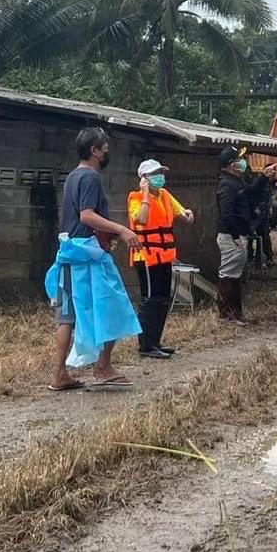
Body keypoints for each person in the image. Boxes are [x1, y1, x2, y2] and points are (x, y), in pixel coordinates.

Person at [45, 127, 142, 392]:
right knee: (113, 306)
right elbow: (86, 216)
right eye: (105, 148)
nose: (107, 152)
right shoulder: (91, 179)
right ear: (94, 151)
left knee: (67, 317)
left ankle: (59, 374)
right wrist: (120, 229)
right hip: (89, 256)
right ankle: (103, 366)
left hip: (68, 252)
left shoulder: (73, 177)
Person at [127, 158, 194, 359]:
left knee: (163, 299)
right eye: (155, 174)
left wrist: (186, 214)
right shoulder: (136, 198)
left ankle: (155, 341)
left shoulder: (164, 195)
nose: (160, 177)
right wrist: (146, 193)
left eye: (161, 173)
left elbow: (180, 211)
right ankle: (145, 345)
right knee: (150, 300)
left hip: (164, 255)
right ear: (144, 179)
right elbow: (143, 219)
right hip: (145, 256)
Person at [215, 146, 254, 324]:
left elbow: (251, 192)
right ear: (232, 164)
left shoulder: (236, 181)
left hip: (237, 236)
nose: (243, 162)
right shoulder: (227, 184)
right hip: (232, 237)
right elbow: (226, 213)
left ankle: (235, 313)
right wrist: (235, 235)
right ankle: (226, 314)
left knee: (235, 275)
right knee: (228, 276)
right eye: (239, 160)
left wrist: (263, 179)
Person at [246, 161, 277, 268]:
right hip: (255, 214)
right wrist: (254, 209)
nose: (273, 174)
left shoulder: (269, 184)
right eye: (271, 172)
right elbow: (252, 195)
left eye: (274, 172)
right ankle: (250, 258)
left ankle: (268, 259)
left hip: (263, 216)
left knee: (265, 237)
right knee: (250, 237)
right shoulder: (259, 181)